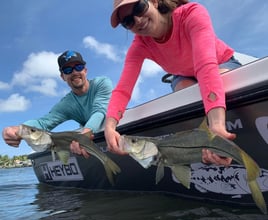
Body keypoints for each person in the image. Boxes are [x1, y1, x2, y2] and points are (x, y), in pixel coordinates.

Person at [104, 0, 242, 166]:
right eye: (128, 21)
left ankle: (223, 132)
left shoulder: (191, 13)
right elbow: (123, 90)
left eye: (139, 8)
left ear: (154, 2)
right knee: (189, 98)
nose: (138, 20)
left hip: (219, 63)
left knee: (222, 84)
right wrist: (110, 126)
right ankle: (204, 148)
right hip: (183, 76)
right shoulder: (139, 45)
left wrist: (217, 125)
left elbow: (206, 66)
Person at [2, 50, 113, 158]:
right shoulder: (66, 104)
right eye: (68, 70)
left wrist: (84, 136)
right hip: (89, 140)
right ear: (62, 77)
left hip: (109, 129)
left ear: (85, 70)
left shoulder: (102, 83)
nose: (74, 72)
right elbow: (44, 122)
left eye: (78, 67)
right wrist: (16, 129)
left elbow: (99, 111)